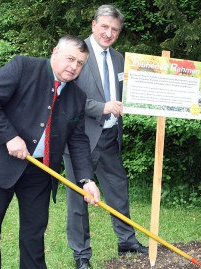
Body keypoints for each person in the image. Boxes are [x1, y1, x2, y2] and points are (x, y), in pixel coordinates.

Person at [0, 35, 101, 269]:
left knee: (34, 231)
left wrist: (86, 179)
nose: (73, 67)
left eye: (80, 63)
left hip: (40, 169)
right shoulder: (22, 67)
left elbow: (78, 140)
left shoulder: (77, 97)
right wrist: (9, 136)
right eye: (70, 59)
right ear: (55, 52)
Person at [63, 5, 147, 269]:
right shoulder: (78, 55)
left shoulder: (121, 59)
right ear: (93, 25)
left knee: (118, 191)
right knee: (78, 200)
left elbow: (128, 95)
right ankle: (81, 256)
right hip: (79, 139)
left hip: (110, 137)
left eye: (115, 30)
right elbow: (67, 96)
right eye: (105, 27)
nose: (109, 33)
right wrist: (102, 107)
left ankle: (127, 242)